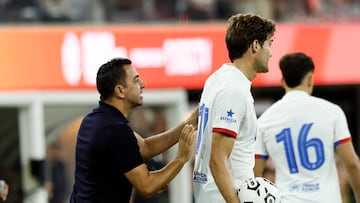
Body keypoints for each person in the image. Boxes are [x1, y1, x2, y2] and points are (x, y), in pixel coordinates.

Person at [69, 57, 198, 203]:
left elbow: (146, 147)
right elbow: (147, 186)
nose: (143, 84)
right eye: (136, 80)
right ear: (120, 91)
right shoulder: (115, 130)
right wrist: (181, 158)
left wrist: (190, 122)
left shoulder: (94, 119)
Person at [254, 52, 360, 203]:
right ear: (310, 79)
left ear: (282, 81)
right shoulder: (332, 112)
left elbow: (255, 176)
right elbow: (351, 163)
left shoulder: (264, 121)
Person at [192, 13, 276, 203]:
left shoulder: (217, 79)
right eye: (269, 44)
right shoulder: (234, 91)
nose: (270, 53)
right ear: (255, 45)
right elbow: (217, 159)